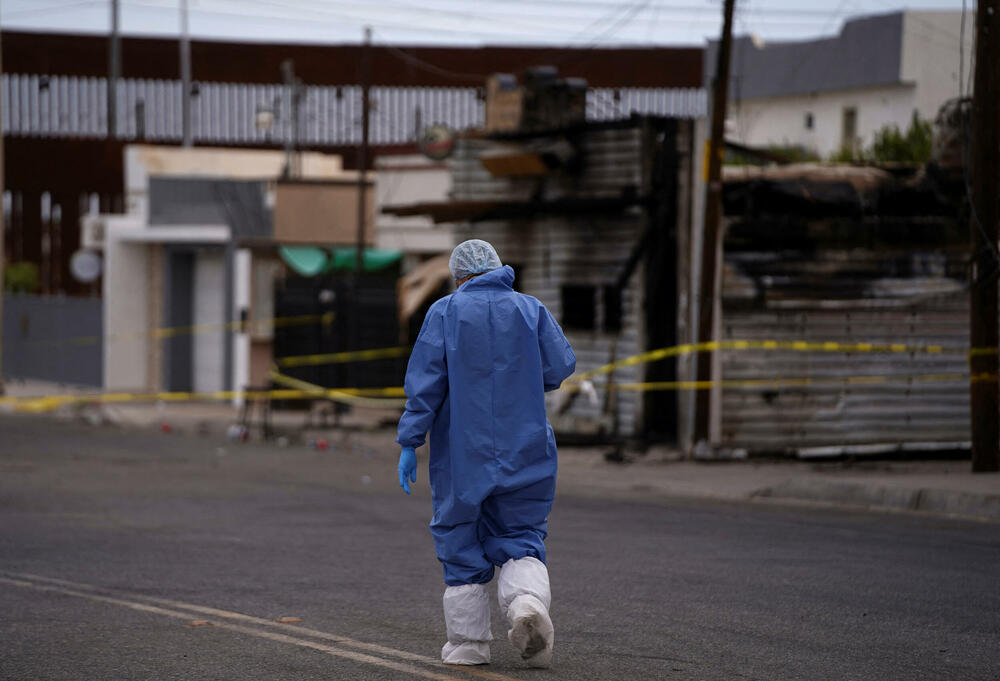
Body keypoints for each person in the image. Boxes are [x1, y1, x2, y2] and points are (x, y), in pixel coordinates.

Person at [396, 239, 576, 668]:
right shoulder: (531, 309)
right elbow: (559, 368)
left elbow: (425, 386)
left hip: (462, 453)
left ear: (459, 276)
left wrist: (409, 441)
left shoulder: (443, 312)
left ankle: (468, 645)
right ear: (498, 268)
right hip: (527, 445)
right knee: (523, 538)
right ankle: (527, 605)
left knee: (459, 541)